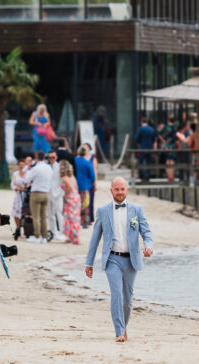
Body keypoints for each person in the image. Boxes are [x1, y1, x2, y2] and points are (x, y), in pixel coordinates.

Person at [85, 177, 153, 343]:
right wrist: (89, 262)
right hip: (112, 259)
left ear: (127, 190)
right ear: (111, 191)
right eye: (117, 189)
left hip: (131, 260)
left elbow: (146, 232)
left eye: (122, 189)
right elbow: (95, 239)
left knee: (128, 299)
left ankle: (124, 327)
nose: (120, 192)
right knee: (116, 294)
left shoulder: (137, 210)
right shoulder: (103, 211)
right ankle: (119, 332)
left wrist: (148, 246)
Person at [22, 150, 53, 242]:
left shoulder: (36, 168)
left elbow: (27, 180)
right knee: (44, 216)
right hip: (46, 193)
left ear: (36, 158)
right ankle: (44, 237)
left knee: (36, 216)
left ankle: (37, 236)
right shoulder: (49, 168)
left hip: (36, 193)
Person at [59, 160, 81, 244]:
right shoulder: (72, 177)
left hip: (70, 198)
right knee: (75, 218)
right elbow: (76, 187)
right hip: (76, 197)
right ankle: (72, 236)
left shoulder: (64, 178)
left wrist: (65, 195)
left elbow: (69, 187)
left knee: (69, 218)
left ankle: (73, 237)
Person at [46, 149, 66, 241]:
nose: (51, 159)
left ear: (56, 157)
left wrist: (60, 192)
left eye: (53, 157)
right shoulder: (46, 167)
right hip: (47, 193)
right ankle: (53, 232)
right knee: (50, 214)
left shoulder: (59, 167)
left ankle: (62, 232)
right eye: (50, 157)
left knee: (60, 213)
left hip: (57, 194)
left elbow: (63, 181)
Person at [75, 144, 96, 228]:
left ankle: (77, 220)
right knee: (85, 205)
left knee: (76, 204)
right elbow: (92, 176)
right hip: (85, 186)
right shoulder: (87, 163)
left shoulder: (74, 160)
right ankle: (85, 222)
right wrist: (94, 185)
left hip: (75, 186)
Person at [10, 158, 28, 240]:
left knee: (24, 213)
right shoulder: (15, 174)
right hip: (18, 195)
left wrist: (25, 188)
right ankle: (18, 228)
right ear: (18, 165)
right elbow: (12, 184)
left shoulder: (28, 173)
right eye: (20, 165)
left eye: (23, 165)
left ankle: (25, 230)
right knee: (16, 213)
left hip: (25, 195)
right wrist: (16, 188)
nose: (21, 166)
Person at [134, 115, 156, 181]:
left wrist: (140, 142)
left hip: (143, 147)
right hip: (150, 148)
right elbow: (153, 139)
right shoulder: (151, 129)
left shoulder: (140, 129)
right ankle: (148, 174)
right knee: (148, 161)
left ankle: (144, 174)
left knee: (140, 161)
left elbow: (136, 138)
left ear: (141, 122)